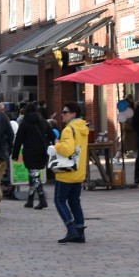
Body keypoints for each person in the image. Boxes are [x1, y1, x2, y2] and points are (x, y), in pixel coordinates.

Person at [54, 101, 90, 243]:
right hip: (79, 171)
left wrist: (57, 145)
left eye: (65, 112)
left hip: (66, 172)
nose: (62, 114)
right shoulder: (83, 128)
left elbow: (68, 150)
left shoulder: (68, 130)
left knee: (59, 200)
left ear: (73, 114)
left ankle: (71, 229)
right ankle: (80, 231)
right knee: (75, 201)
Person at [12, 102, 51, 210]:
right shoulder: (44, 122)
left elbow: (18, 141)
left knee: (34, 176)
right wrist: (46, 143)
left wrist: (15, 155)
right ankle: (30, 200)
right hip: (42, 152)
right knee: (34, 176)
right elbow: (52, 135)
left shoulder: (24, 123)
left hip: (30, 152)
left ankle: (42, 199)